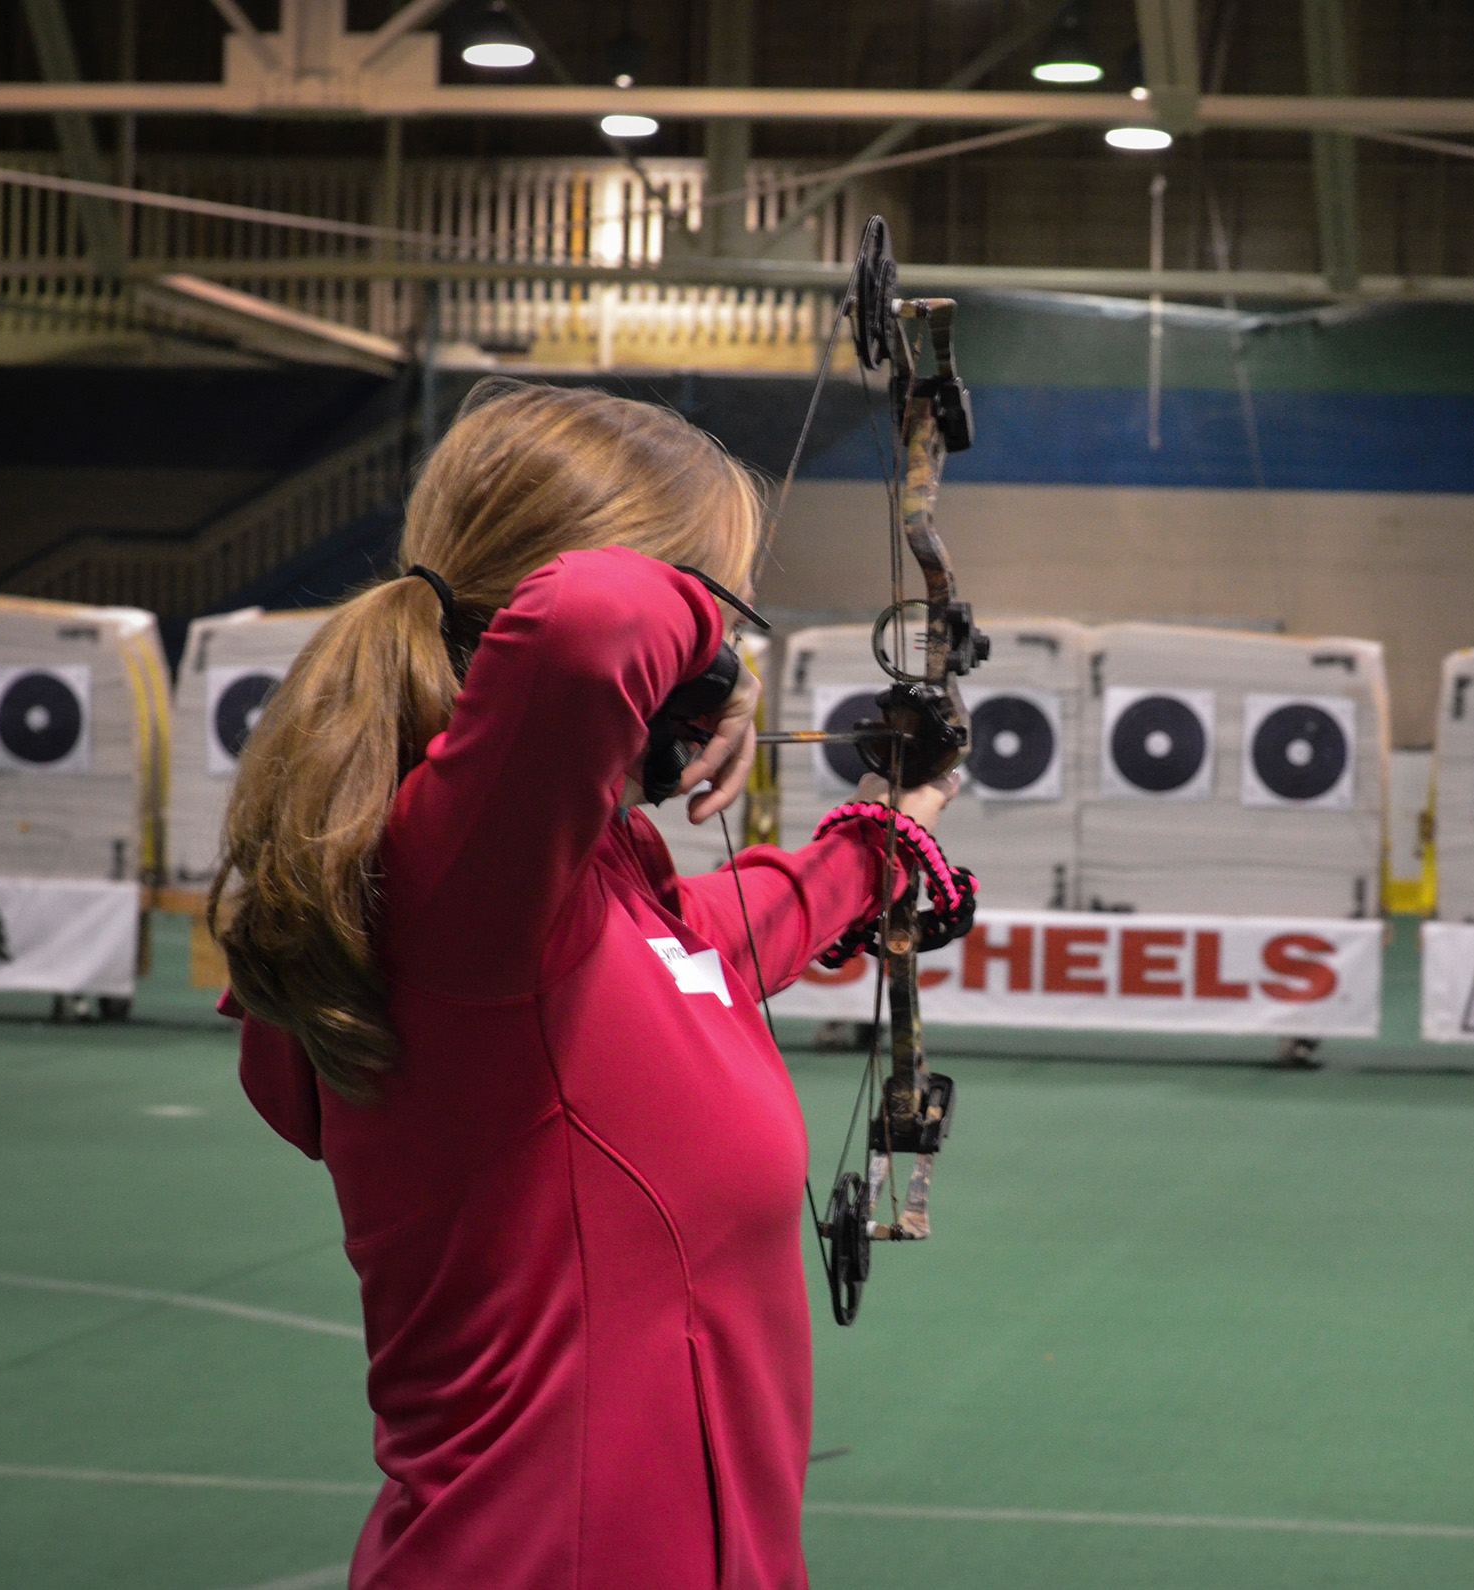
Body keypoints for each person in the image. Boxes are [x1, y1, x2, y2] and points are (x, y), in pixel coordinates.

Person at [213, 380, 951, 1589]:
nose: (726, 657)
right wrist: (714, 649)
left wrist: (879, 841)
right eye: (721, 609)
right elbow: (593, 617)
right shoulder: (456, 890)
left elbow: (710, 949)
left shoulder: (574, 895)